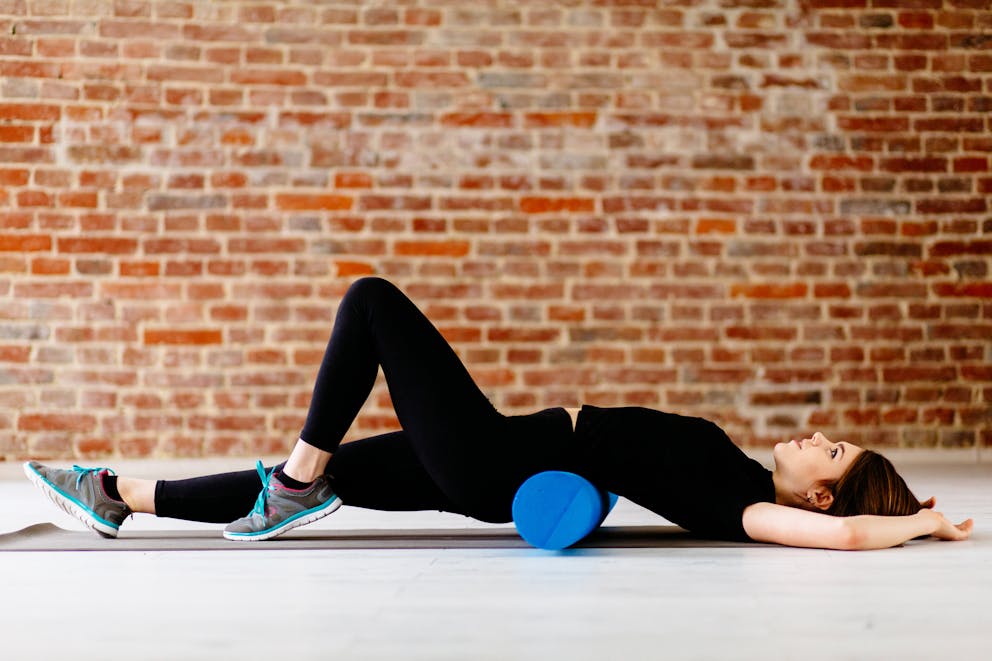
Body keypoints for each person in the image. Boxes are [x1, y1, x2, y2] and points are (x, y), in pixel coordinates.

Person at [24, 277, 973, 550]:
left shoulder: (748, 505)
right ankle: (119, 494)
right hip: (504, 457)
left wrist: (918, 520)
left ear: (817, 498)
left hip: (492, 462)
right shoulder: (735, 466)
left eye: (830, 452)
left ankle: (295, 484)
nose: (815, 435)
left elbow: (848, 545)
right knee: (342, 471)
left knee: (370, 303)